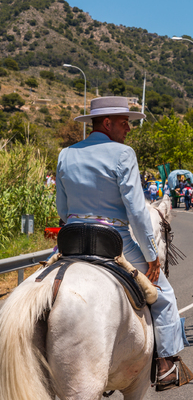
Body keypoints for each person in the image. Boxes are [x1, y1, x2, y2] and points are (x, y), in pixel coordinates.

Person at [56, 96, 191, 391]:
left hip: (72, 239)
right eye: (125, 122)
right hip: (112, 239)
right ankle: (167, 364)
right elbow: (137, 211)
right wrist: (152, 256)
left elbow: (61, 209)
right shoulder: (123, 154)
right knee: (164, 294)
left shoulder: (66, 154)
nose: (128, 129)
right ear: (107, 123)